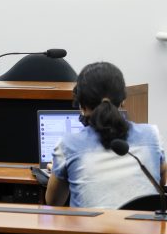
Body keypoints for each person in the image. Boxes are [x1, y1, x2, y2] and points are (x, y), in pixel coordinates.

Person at [46, 62, 167, 208]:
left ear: (81, 105)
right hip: (144, 230)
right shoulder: (152, 135)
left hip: (90, 230)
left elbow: (53, 202)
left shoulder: (67, 145)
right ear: (123, 100)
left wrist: (58, 170)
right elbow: (160, 184)